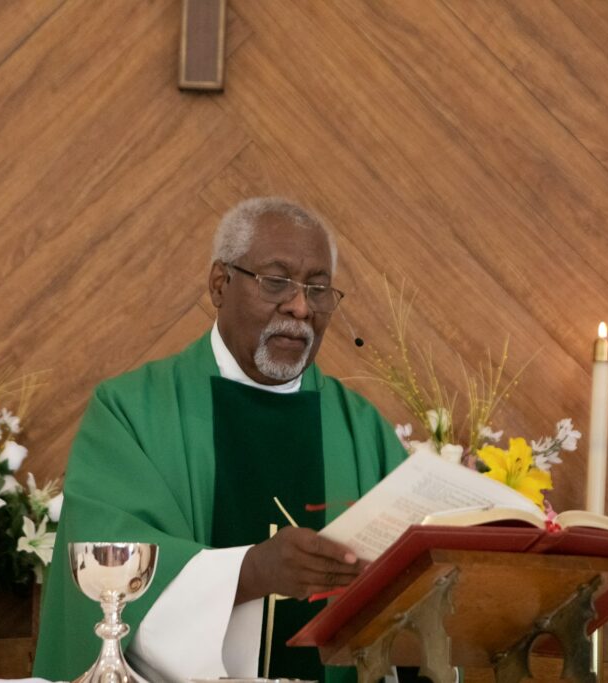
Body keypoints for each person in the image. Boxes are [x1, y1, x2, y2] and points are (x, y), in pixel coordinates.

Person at [33, 197, 408, 682]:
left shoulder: (360, 427)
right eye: (277, 282)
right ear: (219, 284)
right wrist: (250, 572)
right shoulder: (131, 411)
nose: (299, 307)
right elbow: (109, 581)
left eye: (318, 290)